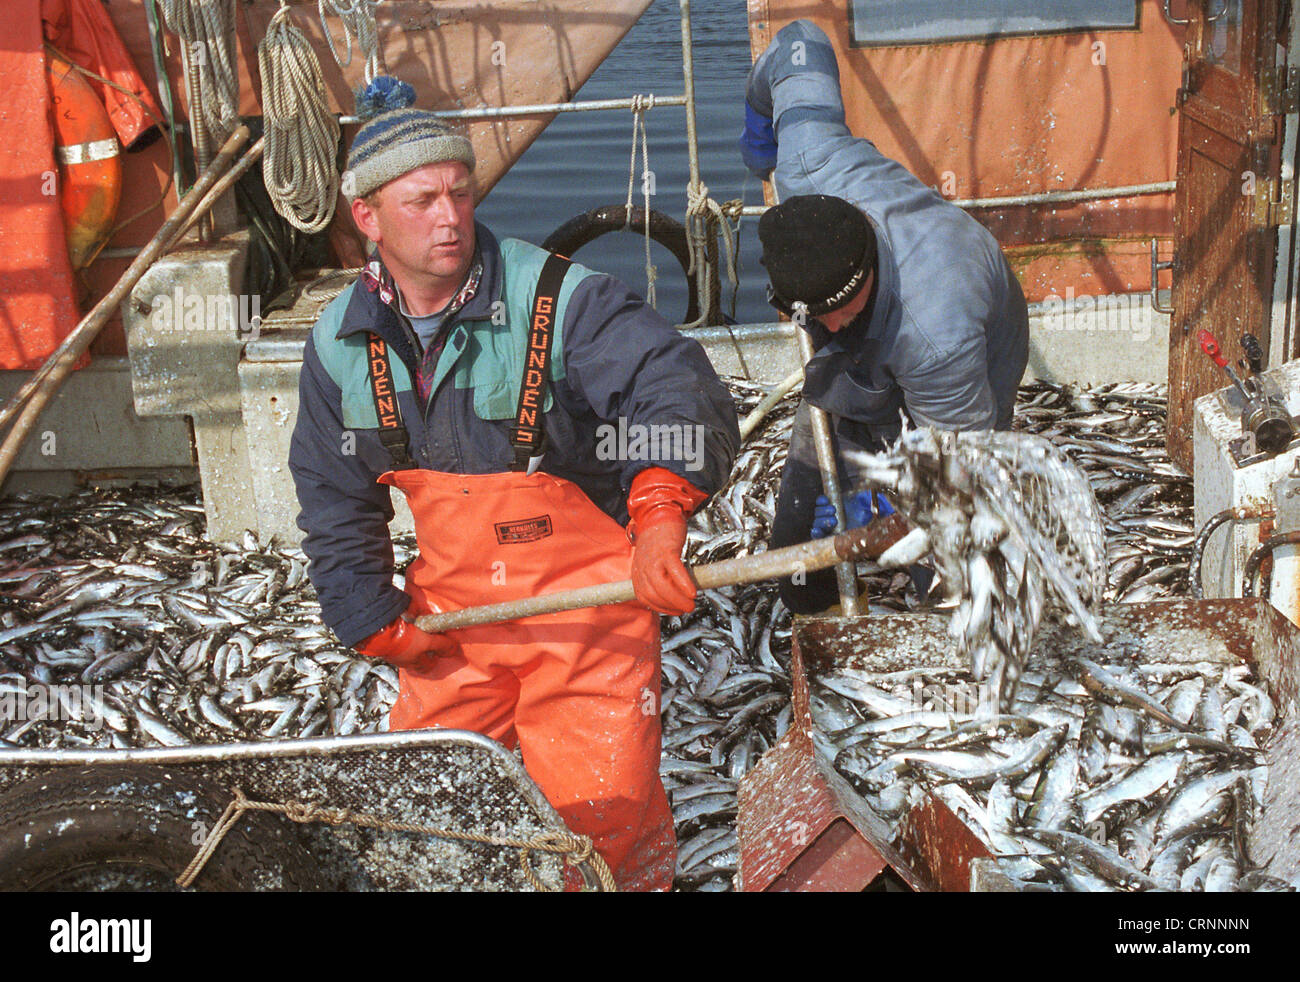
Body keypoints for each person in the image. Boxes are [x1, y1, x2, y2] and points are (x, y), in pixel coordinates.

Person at [289, 108, 740, 891]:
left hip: (587, 612)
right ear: (367, 218)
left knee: (604, 819)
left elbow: (672, 388)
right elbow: (333, 495)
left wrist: (661, 511)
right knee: (423, 817)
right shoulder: (338, 345)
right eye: (421, 201)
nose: (450, 218)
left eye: (460, 194)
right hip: (456, 623)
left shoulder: (561, 297)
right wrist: (366, 615)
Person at [740, 20, 1030, 614]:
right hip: (900, 317)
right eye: (816, 318)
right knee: (799, 560)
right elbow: (800, 41)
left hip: (972, 338)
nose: (833, 325)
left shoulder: (936, 337)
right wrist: (756, 130)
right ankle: (821, 599)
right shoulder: (809, 165)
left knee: (949, 562)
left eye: (843, 310)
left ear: (867, 266)